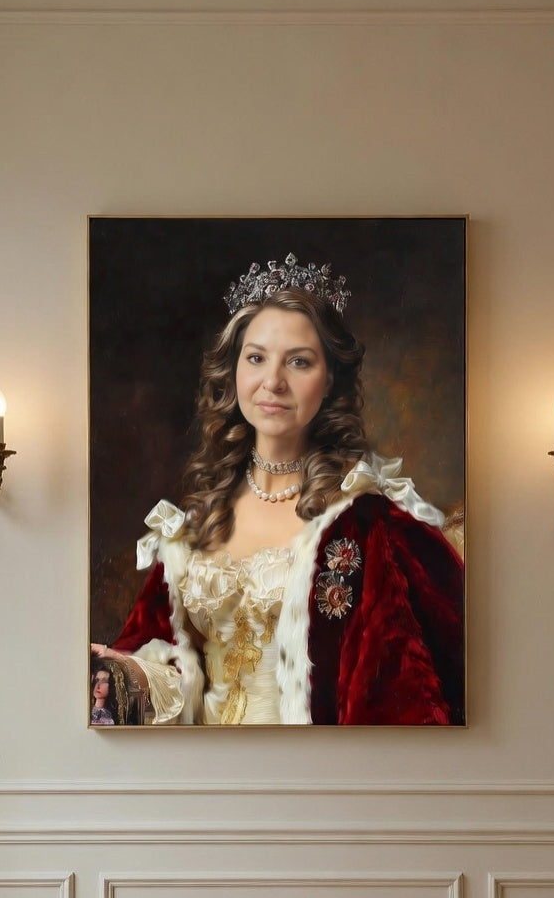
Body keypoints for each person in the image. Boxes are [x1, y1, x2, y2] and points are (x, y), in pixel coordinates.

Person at [90, 253, 464, 726]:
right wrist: (129, 674)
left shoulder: (363, 522)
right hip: (201, 768)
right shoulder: (198, 520)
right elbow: (165, 655)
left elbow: (400, 688)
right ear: (234, 370)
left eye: (299, 362)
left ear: (329, 379)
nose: (273, 382)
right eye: (256, 358)